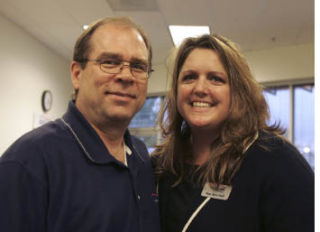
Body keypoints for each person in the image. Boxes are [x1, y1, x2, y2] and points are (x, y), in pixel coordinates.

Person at [0, 17, 161, 232]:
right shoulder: (29, 162)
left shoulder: (140, 157)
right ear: (77, 74)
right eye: (110, 62)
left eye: (138, 66)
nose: (126, 76)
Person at [152, 34, 314, 232]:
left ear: (238, 92)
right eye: (189, 77)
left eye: (216, 79)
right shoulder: (161, 163)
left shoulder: (277, 161)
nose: (200, 88)